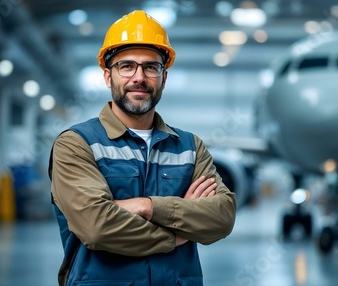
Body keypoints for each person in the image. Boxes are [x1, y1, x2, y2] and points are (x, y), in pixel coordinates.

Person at [48, 10, 237, 286]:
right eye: (127, 66)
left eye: (151, 67)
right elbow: (97, 227)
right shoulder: (77, 144)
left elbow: (221, 217)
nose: (139, 77)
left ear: (164, 77)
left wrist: (146, 207)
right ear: (107, 76)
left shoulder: (189, 146)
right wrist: (176, 234)